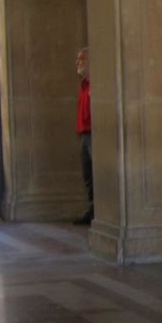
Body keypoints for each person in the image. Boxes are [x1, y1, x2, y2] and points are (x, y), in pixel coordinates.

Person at [72, 47, 93, 226]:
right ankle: (93, 208)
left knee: (95, 172)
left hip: (93, 133)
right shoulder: (84, 85)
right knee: (88, 173)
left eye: (81, 59)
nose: (77, 63)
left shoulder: (95, 85)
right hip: (85, 133)